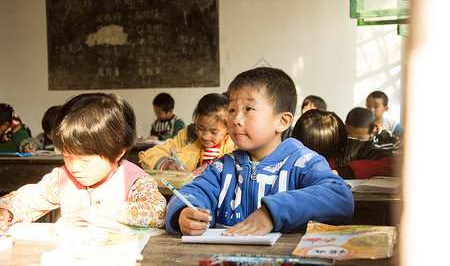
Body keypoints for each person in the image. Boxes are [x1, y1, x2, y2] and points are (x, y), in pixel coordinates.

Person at [165, 67, 354, 236]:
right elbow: (191, 192)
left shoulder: (302, 163)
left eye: (248, 108)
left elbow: (340, 197)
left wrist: (272, 213)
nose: (236, 119)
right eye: (231, 109)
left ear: (283, 121)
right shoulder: (221, 168)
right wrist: (183, 214)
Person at [0, 93, 166, 232]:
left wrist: (103, 211)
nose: (74, 167)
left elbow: (158, 212)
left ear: (118, 152)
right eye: (67, 155)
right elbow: (29, 199)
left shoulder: (134, 181)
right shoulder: (63, 179)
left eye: (85, 159)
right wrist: (7, 211)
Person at [139, 93, 235, 176]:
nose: (205, 136)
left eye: (214, 132)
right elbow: (148, 155)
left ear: (228, 128)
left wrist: (218, 169)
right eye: (200, 128)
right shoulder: (188, 136)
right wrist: (167, 164)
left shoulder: (236, 143)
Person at [292, 109, 397, 179]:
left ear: (340, 146)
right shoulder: (293, 151)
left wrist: (347, 172)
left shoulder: (355, 147)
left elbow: (392, 164)